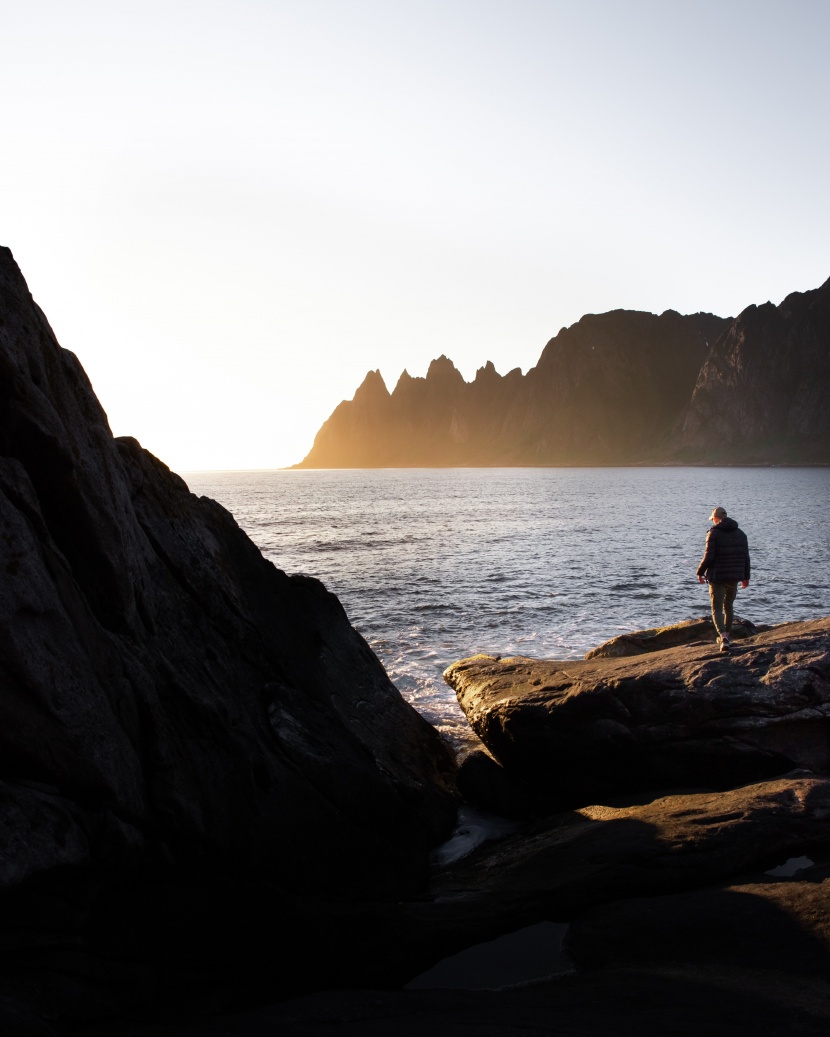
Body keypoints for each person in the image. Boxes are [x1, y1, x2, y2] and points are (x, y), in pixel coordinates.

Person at [696, 506, 750, 652]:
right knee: (729, 606)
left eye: (712, 519)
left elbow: (709, 556)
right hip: (734, 576)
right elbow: (746, 557)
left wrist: (699, 572)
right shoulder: (741, 534)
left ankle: (724, 637)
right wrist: (746, 577)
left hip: (717, 576)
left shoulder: (713, 533)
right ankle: (727, 635)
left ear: (715, 518)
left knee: (717, 608)